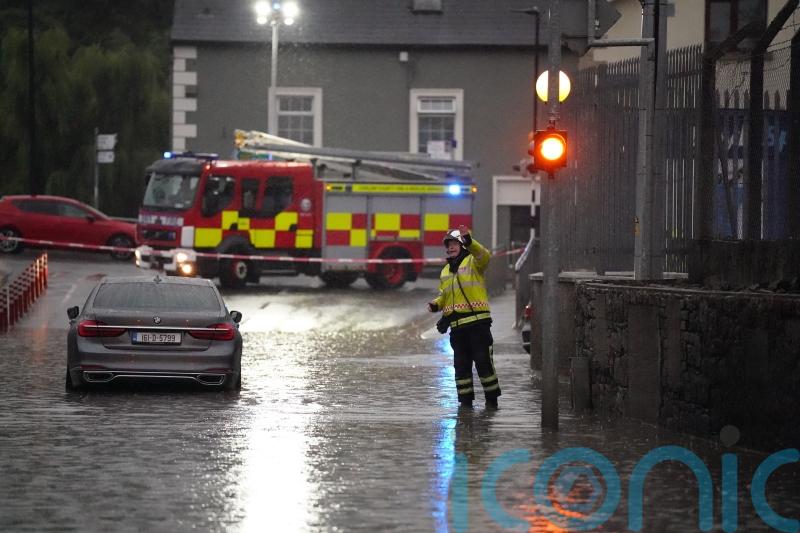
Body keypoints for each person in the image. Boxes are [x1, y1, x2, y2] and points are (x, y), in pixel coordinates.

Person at [428, 225, 501, 409]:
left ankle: (491, 402)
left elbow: (484, 255)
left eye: (454, 244)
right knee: (461, 367)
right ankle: (465, 405)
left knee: (483, 363)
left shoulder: (473, 262)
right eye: (448, 245)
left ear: (463, 246)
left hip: (478, 325)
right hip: (457, 328)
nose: (450, 248)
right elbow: (445, 295)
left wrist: (469, 240)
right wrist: (437, 304)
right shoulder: (445, 270)